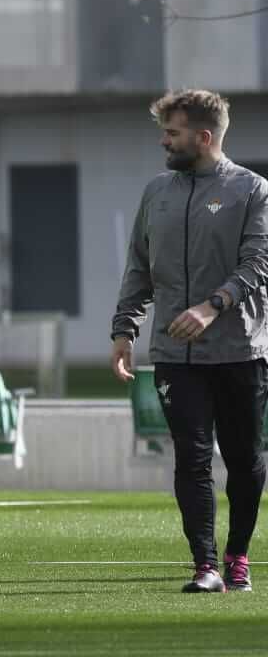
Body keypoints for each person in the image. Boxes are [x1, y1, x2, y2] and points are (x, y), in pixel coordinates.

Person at [111, 89, 268, 594]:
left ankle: (237, 553)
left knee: (244, 461)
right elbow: (139, 264)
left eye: (172, 133)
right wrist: (123, 329)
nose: (164, 142)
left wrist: (211, 306)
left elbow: (258, 264)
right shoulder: (156, 192)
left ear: (202, 137)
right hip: (175, 358)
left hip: (241, 351)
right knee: (192, 457)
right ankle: (205, 565)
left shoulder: (252, 190)